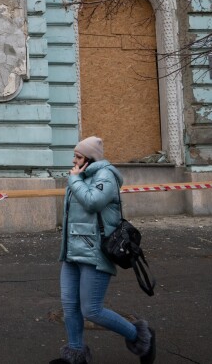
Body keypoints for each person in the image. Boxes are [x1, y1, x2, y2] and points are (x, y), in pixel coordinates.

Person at [50, 136, 155, 364]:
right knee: (70, 307)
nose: (73, 160)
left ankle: (139, 336)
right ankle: (76, 354)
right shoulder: (82, 176)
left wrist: (75, 181)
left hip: (95, 252)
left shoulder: (105, 176)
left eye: (78, 156)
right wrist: (77, 180)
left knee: (92, 310)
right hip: (72, 252)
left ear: (89, 158)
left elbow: (93, 202)